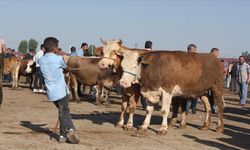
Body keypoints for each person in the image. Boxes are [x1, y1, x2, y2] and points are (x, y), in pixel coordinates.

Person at [39, 37, 80, 144]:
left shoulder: (41, 60)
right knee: (64, 113)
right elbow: (65, 68)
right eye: (57, 47)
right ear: (54, 48)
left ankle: (66, 133)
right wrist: (69, 69)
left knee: (64, 112)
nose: (58, 48)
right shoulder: (58, 59)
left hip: (51, 93)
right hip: (61, 91)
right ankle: (67, 132)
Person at [186, 44, 198, 114]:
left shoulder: (197, 59)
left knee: (195, 95)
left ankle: (193, 107)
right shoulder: (184, 58)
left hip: (195, 80)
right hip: (187, 80)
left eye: (195, 50)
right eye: (194, 50)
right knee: (187, 95)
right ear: (189, 50)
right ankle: (186, 109)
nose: (195, 52)